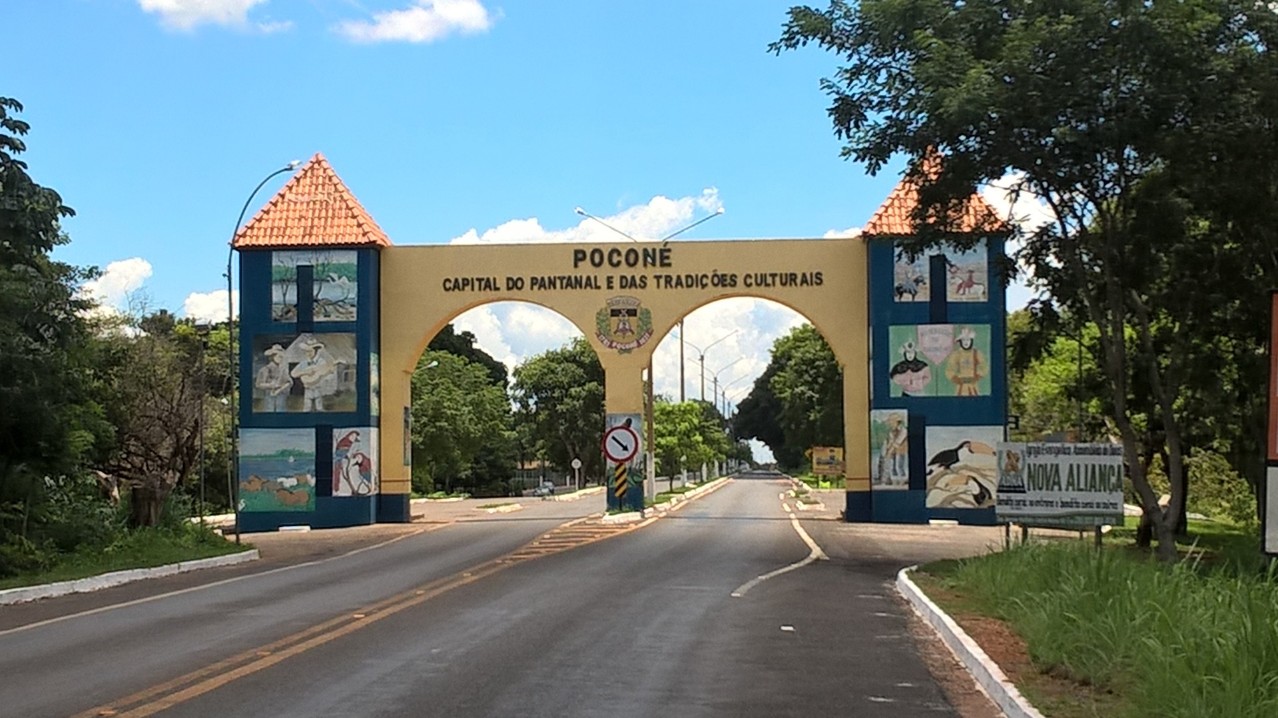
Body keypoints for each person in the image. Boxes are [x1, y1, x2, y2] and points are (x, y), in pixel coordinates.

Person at [291, 339, 338, 411]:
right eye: (306, 351)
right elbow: (293, 373)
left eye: (310, 351)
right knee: (307, 408)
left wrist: (329, 371)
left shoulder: (321, 362)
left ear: (315, 351)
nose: (308, 353)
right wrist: (305, 372)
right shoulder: (304, 363)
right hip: (308, 389)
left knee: (319, 408)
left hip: (318, 388)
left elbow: (323, 373)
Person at [945, 327, 985, 396]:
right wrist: (956, 379)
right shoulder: (956, 354)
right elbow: (950, 368)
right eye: (964, 340)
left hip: (973, 386)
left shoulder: (976, 353)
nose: (966, 342)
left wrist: (978, 376)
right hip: (961, 386)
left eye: (968, 340)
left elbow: (983, 366)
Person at [254, 344, 293, 412]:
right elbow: (258, 384)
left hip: (281, 395)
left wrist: (280, 389)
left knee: (281, 410)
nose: (280, 359)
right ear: (272, 357)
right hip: (269, 395)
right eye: (278, 356)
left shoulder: (283, 370)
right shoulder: (265, 369)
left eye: (281, 357)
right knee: (269, 410)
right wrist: (270, 385)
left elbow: (290, 382)